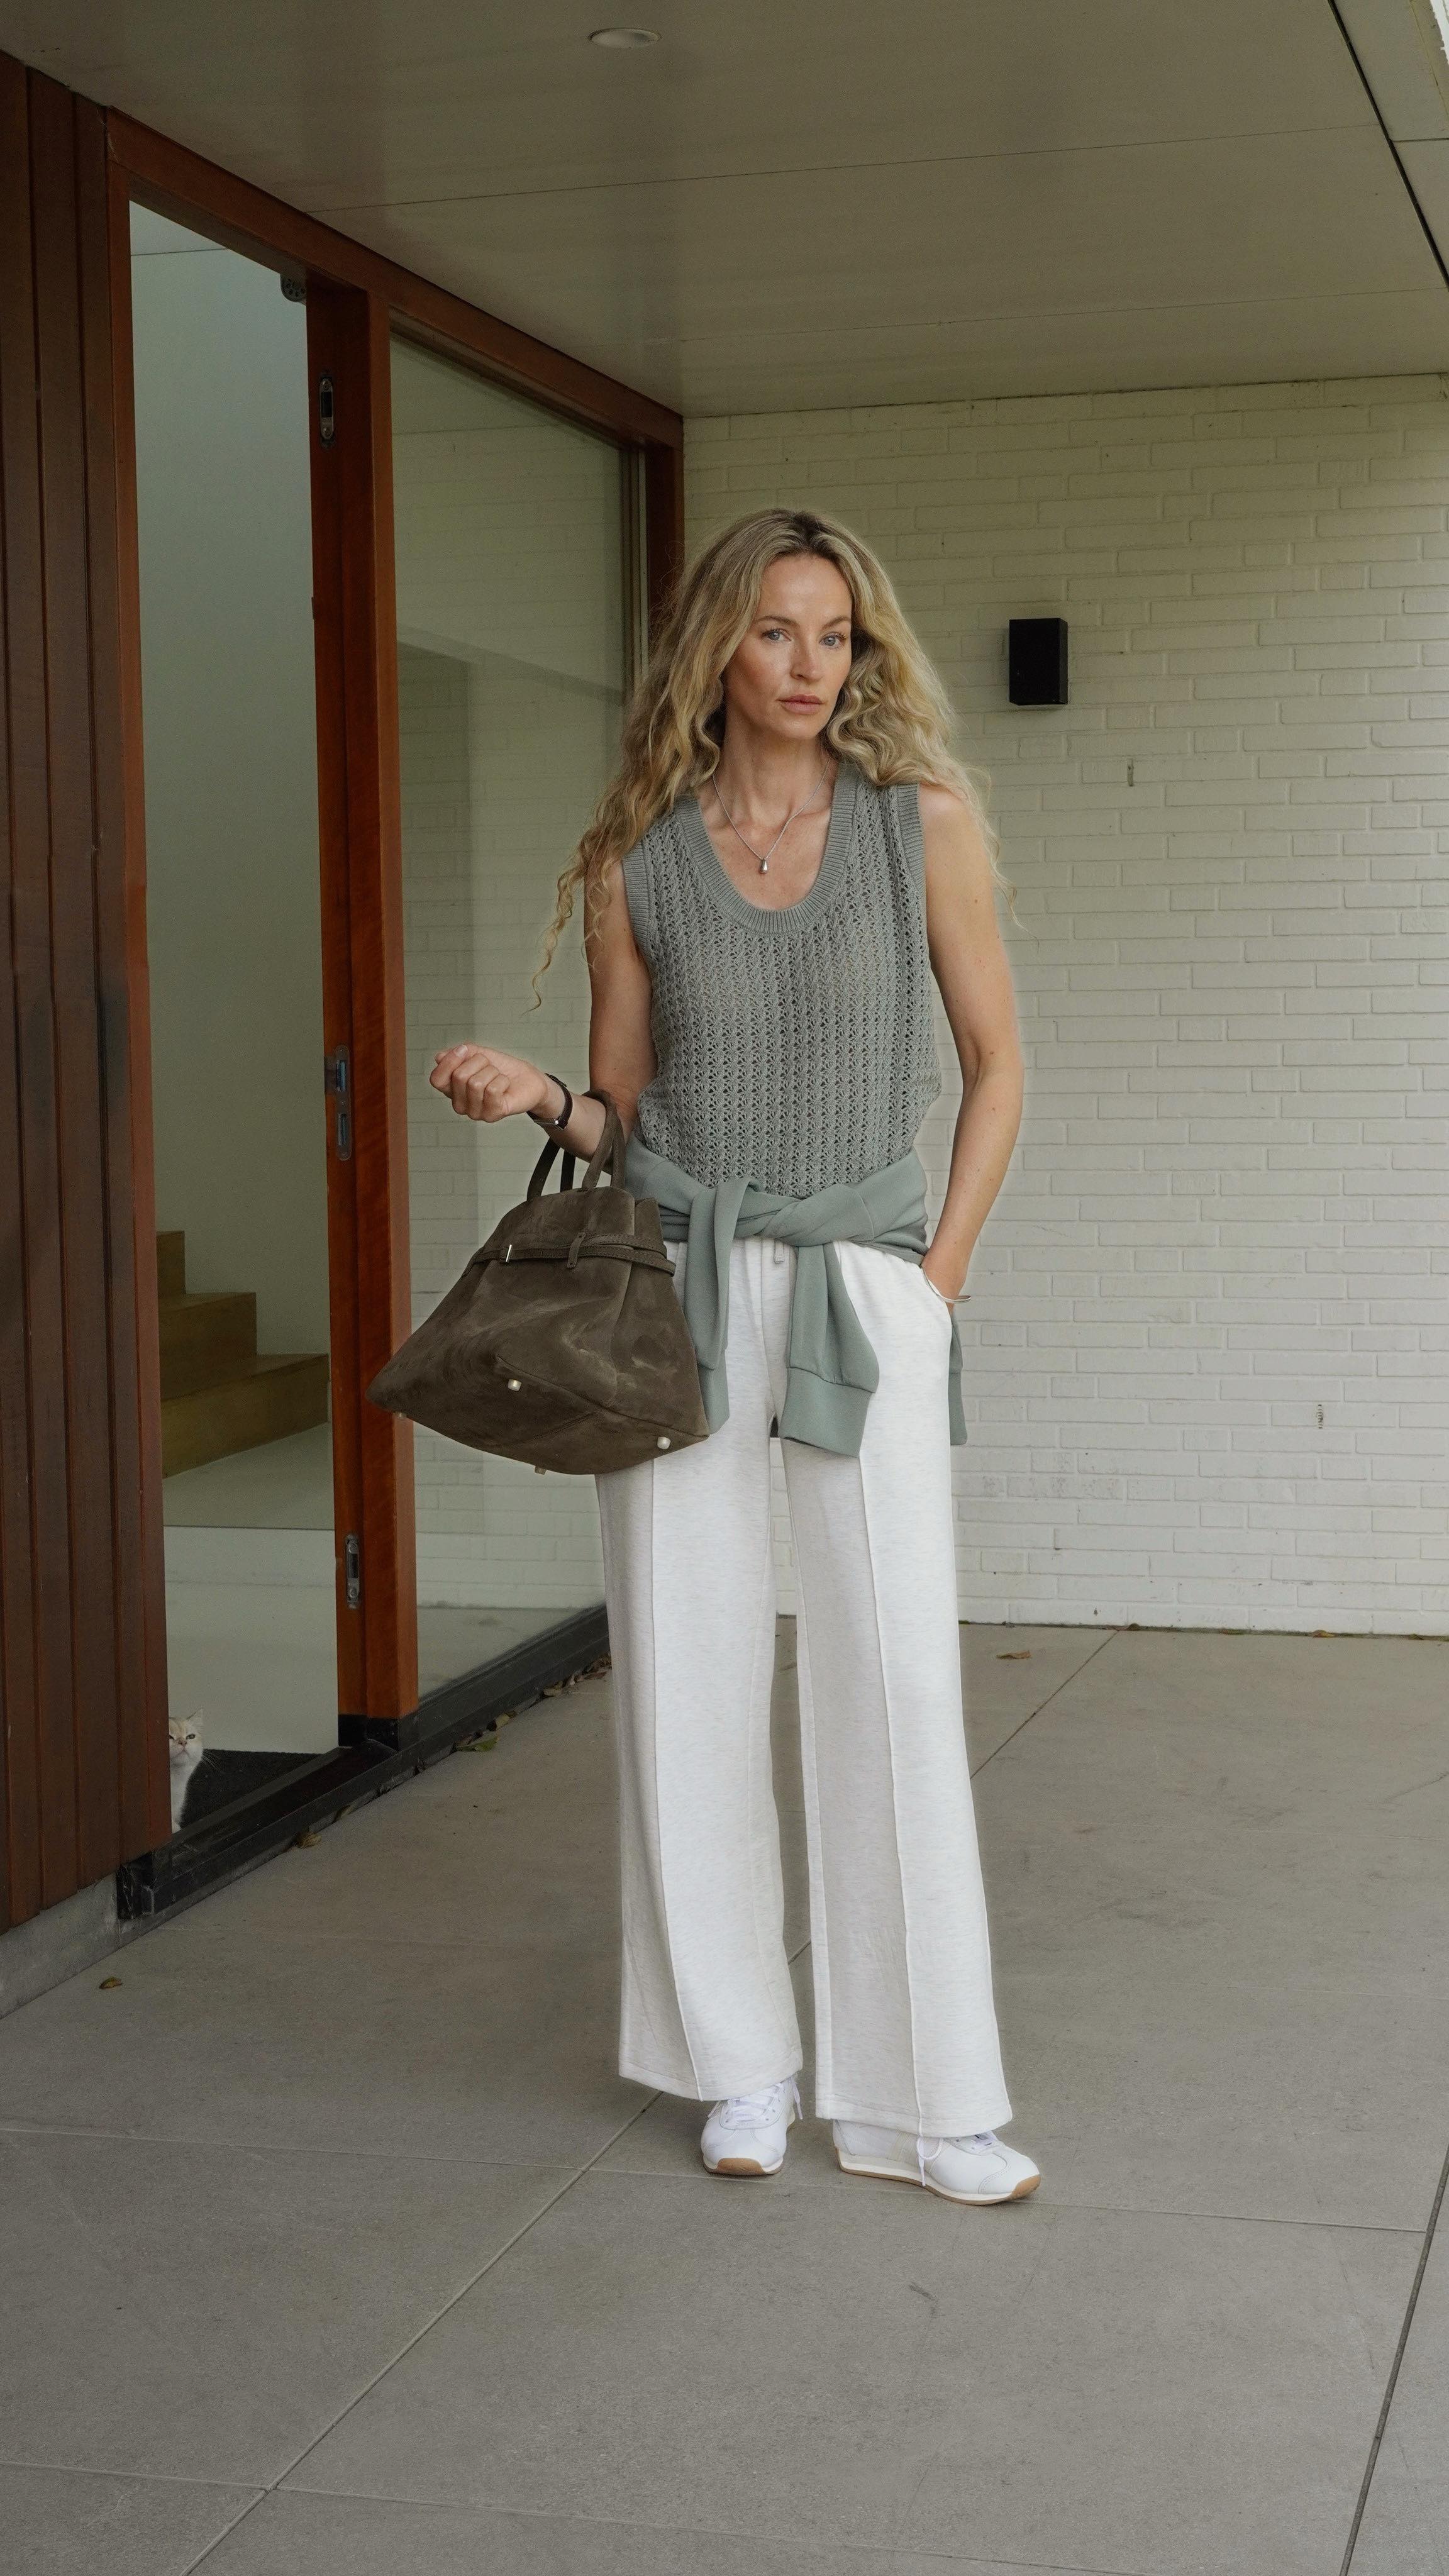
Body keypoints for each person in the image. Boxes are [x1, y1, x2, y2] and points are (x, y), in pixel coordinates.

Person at [431, 508, 1038, 2206]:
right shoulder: (644, 858)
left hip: (865, 1288)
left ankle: (925, 2100)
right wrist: (539, 1097)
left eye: (834, 635)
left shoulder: (922, 830)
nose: (808, 665)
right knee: (692, 1672)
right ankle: (739, 2070)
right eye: (776, 631)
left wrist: (940, 1280)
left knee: (899, 1677)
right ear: (719, 646)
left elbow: (997, 1066)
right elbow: (622, 1111)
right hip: (685, 1285)